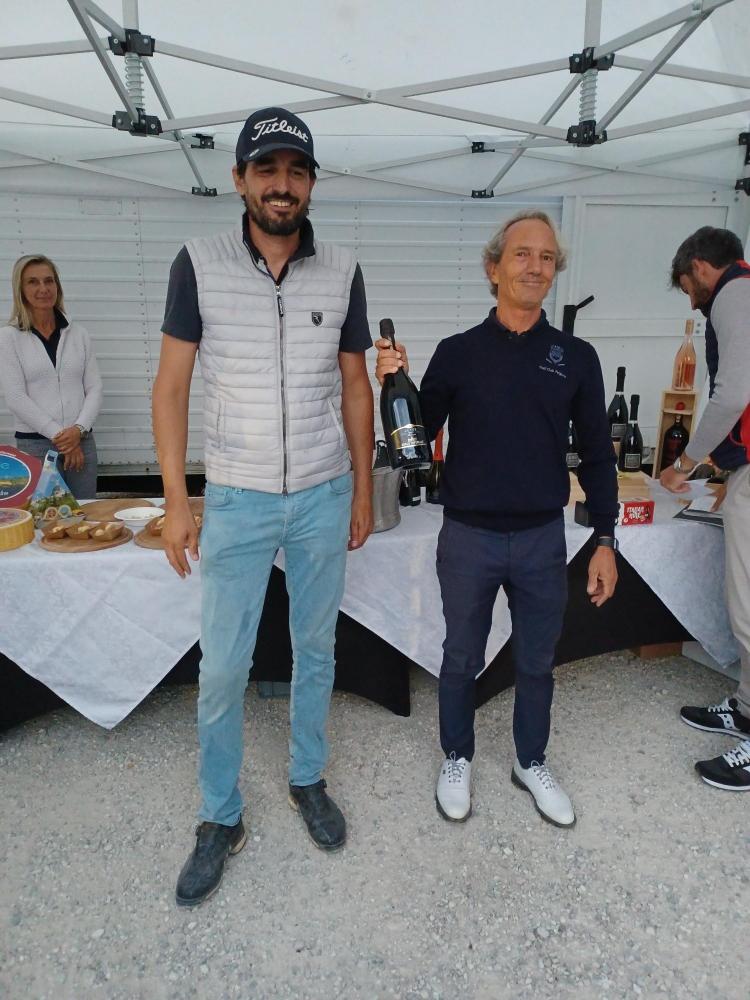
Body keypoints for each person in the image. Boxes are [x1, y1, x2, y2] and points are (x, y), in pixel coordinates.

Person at [152, 107, 374, 907]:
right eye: (267, 169)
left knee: (316, 649)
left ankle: (307, 777)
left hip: (322, 491)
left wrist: (363, 486)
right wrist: (179, 501)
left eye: (296, 170)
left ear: (311, 182)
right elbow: (171, 388)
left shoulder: (342, 268)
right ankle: (220, 815)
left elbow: (357, 386)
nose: (283, 185)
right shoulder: (197, 263)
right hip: (238, 497)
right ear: (240, 179)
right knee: (223, 666)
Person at [375, 210, 618, 827]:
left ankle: (530, 761)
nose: (536, 266)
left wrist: (605, 538)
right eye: (522, 254)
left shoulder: (575, 357)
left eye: (546, 257)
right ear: (494, 267)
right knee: (461, 656)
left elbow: (596, 453)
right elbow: (416, 434)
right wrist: (394, 380)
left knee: (536, 659)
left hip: (542, 538)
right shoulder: (458, 353)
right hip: (469, 537)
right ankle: (457, 756)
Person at [660, 226, 750, 791]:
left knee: (749, 607)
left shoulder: (735, 292)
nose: (691, 299)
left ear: (698, 266)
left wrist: (688, 462)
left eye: (686, 286)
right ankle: (745, 708)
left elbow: (734, 391)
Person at [0, 254, 102, 498]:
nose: (43, 289)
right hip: (36, 446)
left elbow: (94, 388)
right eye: (33, 282)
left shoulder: (78, 334)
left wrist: (77, 431)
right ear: (20, 290)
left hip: (81, 442)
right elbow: (15, 397)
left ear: (57, 286)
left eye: (49, 281)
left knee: (86, 514)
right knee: (45, 517)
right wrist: (62, 437)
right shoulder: (9, 337)